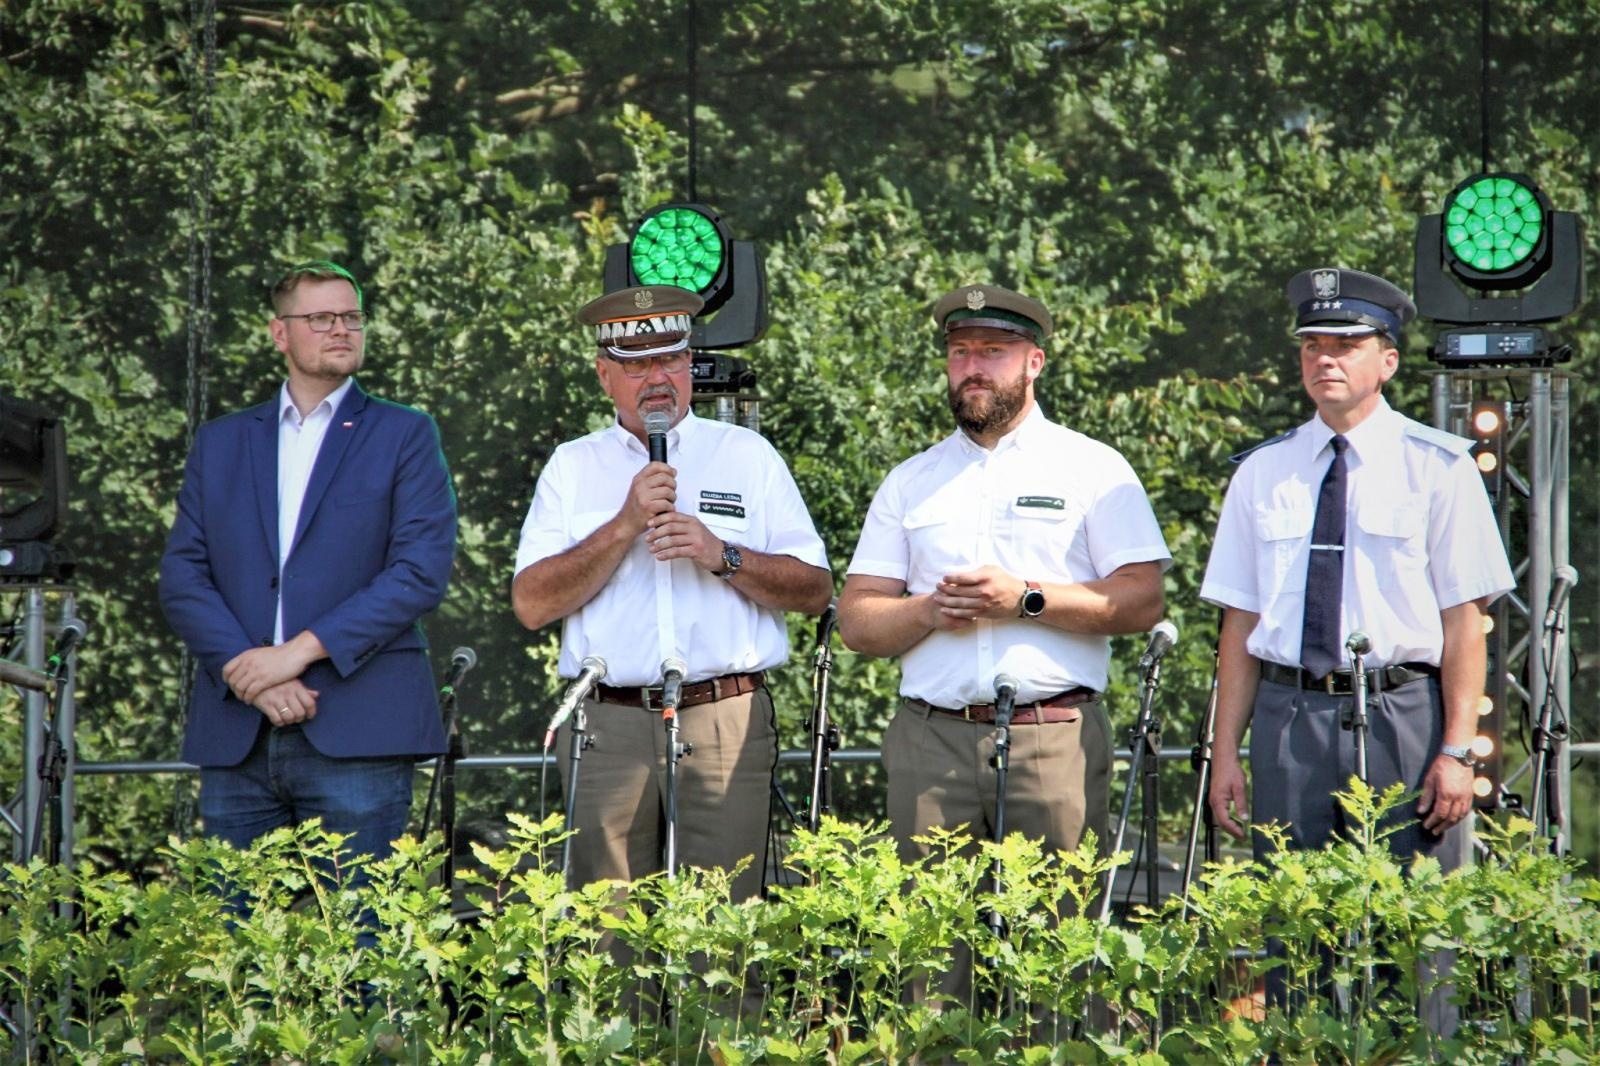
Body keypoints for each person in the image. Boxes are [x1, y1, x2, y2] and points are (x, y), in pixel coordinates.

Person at [1200, 267, 1514, 1025]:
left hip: (1404, 713)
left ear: (1389, 360)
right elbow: (1238, 626)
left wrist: (1458, 750)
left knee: (1414, 939)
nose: (1325, 359)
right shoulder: (1261, 473)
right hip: (1289, 716)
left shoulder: (1438, 466)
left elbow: (1463, 622)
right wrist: (1225, 752)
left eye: (1346, 343)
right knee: (1294, 943)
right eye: (1312, 344)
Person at [837, 282, 1169, 915]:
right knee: (927, 959)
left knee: (1060, 956)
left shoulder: (1093, 468)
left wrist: (1026, 600)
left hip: (1052, 738)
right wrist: (928, 611)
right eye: (960, 352)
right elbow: (857, 620)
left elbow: (1142, 600)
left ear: (1034, 362)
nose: (973, 368)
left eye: (993, 350)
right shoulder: (911, 481)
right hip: (931, 741)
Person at [512, 284, 832, 904]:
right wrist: (624, 524)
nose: (656, 378)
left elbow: (816, 590)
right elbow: (531, 603)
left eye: (670, 359)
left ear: (690, 365)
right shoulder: (572, 467)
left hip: (723, 718)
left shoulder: (748, 455)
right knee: (607, 943)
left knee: (728, 937)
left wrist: (723, 555)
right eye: (636, 363)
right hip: (608, 726)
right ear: (606, 375)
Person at [160, 261, 457, 868]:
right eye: (320, 318)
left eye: (352, 317)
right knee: (228, 943)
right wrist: (255, 676)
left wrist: (293, 656)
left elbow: (418, 572)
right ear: (279, 334)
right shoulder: (221, 442)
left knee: (360, 941)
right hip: (239, 732)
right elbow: (184, 576)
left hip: (360, 729)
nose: (341, 330)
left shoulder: (405, 433)